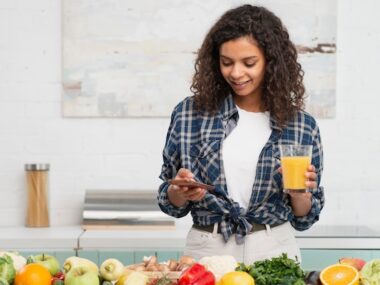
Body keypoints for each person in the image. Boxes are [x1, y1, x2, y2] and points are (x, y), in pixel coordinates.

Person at [157, 4, 324, 264]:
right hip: (207, 248)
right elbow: (170, 203)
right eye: (226, 62)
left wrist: (300, 194)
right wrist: (180, 191)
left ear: (271, 62)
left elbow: (304, 219)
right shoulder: (190, 113)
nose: (235, 73)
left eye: (249, 63)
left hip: (274, 250)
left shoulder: (301, 125)